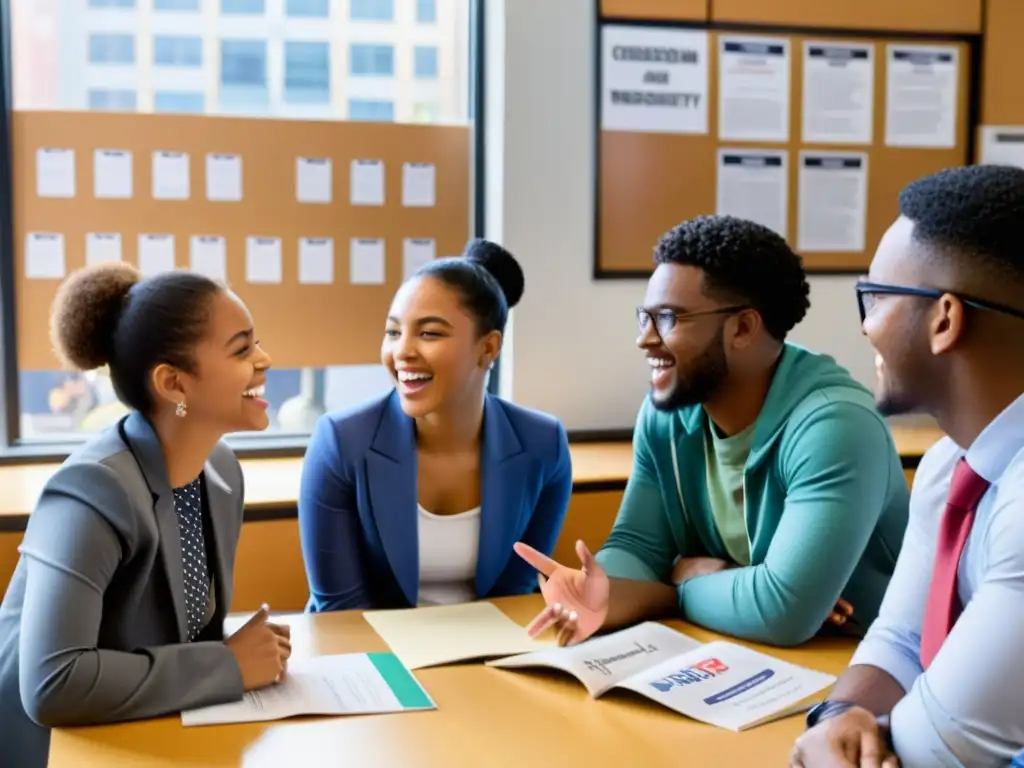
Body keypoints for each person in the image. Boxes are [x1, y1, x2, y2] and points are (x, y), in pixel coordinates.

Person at [516, 214, 909, 648]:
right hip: (738, 650)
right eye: (644, 317)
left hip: (861, 664)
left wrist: (678, 584)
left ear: (742, 327)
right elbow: (639, 547)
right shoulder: (667, 415)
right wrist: (605, 592)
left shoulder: (835, 426)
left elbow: (783, 611)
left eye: (668, 318)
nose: (645, 339)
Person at [0, 262, 291, 767]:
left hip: (147, 726)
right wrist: (226, 664)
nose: (264, 360)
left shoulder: (220, 471)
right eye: (242, 349)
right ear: (174, 385)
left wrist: (239, 655)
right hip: (52, 747)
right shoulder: (91, 489)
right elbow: (52, 683)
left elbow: (183, 632)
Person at [790, 165, 1024, 767]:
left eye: (876, 297)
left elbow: (935, 751)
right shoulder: (954, 466)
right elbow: (900, 641)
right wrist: (840, 719)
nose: (866, 325)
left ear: (945, 319)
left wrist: (834, 750)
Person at [298, 239, 572, 611]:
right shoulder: (342, 441)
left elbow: (515, 594)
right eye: (393, 332)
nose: (402, 352)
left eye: (429, 333)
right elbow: (341, 607)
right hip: (367, 653)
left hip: (482, 651)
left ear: (488, 348)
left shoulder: (544, 446)